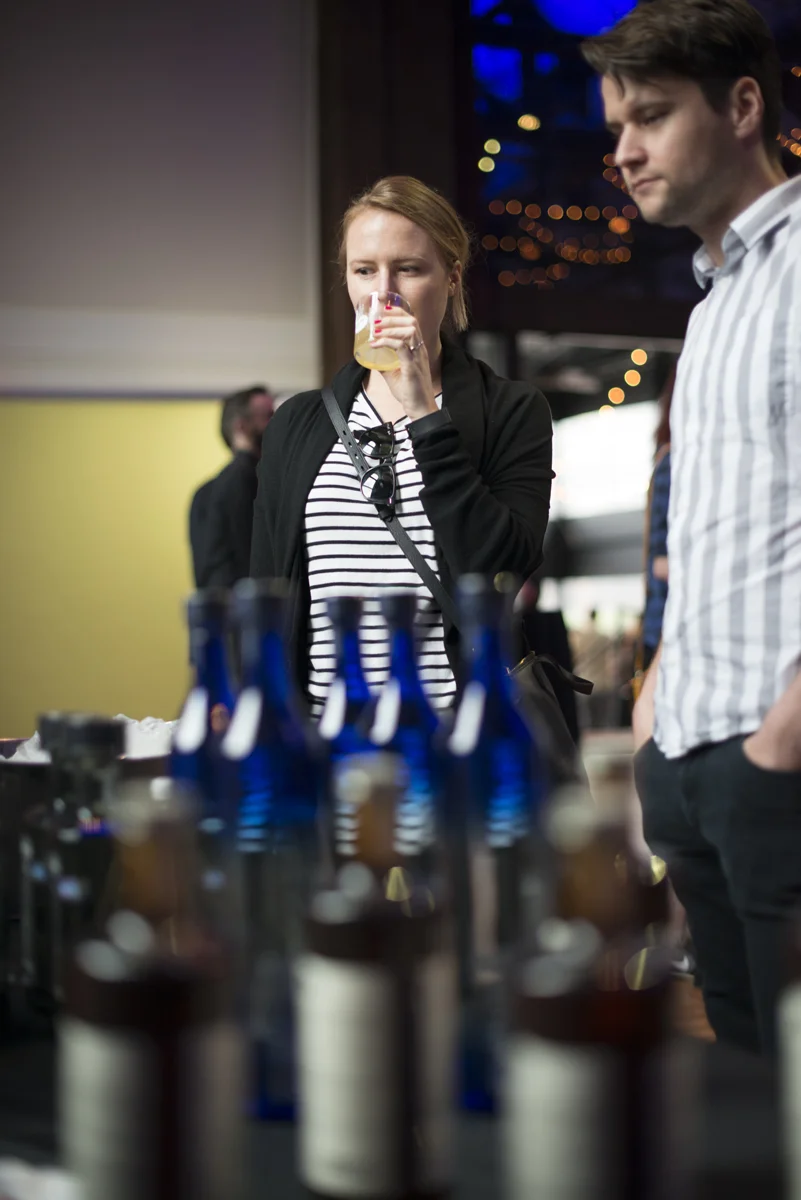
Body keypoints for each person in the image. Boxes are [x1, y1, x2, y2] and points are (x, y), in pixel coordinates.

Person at [583, 0, 801, 1054]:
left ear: (743, 106)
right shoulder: (712, 306)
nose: (623, 152)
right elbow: (711, 532)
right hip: (690, 757)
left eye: (652, 116)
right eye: (616, 127)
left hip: (778, 762)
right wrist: (656, 700)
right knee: (749, 1093)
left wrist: (783, 738)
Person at [250, 175, 553, 716]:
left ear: (452, 277)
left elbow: (500, 571)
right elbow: (266, 588)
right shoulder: (298, 423)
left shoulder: (512, 411)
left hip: (453, 732)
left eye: (408, 269)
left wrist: (425, 415)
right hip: (326, 730)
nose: (381, 292)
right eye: (364, 270)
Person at [189, 385, 274, 588]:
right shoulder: (255, 484)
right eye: (268, 416)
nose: (276, 424)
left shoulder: (203, 493)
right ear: (241, 427)